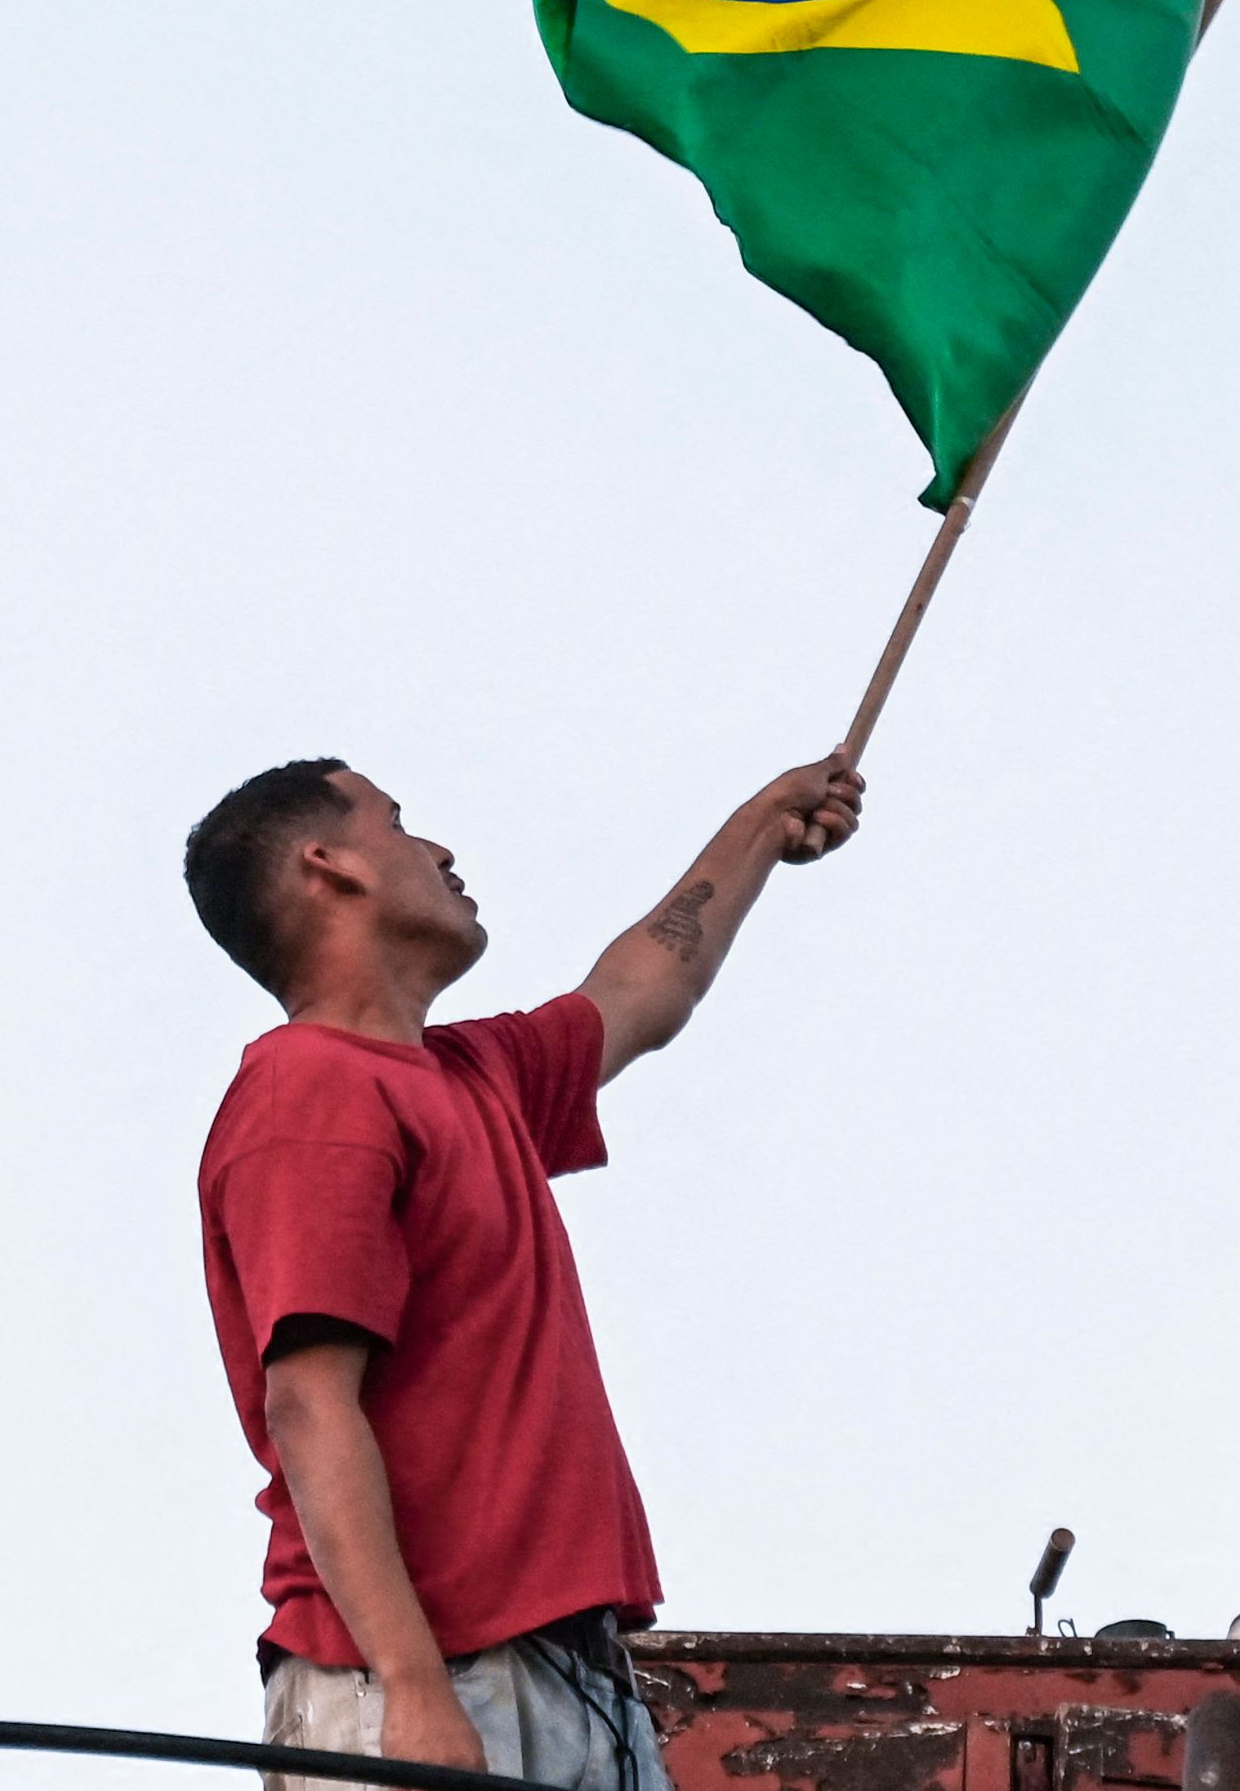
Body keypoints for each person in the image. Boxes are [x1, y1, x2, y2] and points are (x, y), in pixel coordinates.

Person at [185, 755, 866, 1791]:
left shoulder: (474, 1078)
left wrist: (764, 820)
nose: (439, 849)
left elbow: (643, 985)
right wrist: (412, 1690)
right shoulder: (311, 1089)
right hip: (414, 1681)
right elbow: (310, 1405)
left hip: (572, 1680)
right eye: (398, 823)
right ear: (330, 866)